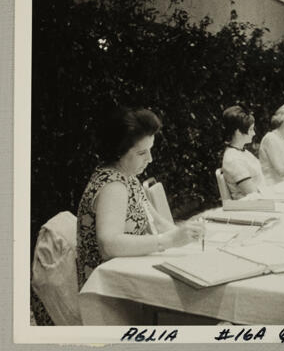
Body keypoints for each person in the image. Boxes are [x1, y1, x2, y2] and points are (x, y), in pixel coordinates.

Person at [76, 106, 204, 290]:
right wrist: (170, 241)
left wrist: (189, 236)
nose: (150, 159)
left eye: (150, 150)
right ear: (119, 151)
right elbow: (109, 245)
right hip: (106, 288)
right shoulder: (113, 185)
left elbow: (157, 222)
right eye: (142, 153)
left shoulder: (129, 177)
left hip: (124, 275)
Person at [221, 105, 266, 199]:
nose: (254, 133)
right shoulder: (233, 159)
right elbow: (252, 193)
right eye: (250, 129)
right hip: (250, 207)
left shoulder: (242, 152)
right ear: (238, 132)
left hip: (261, 201)